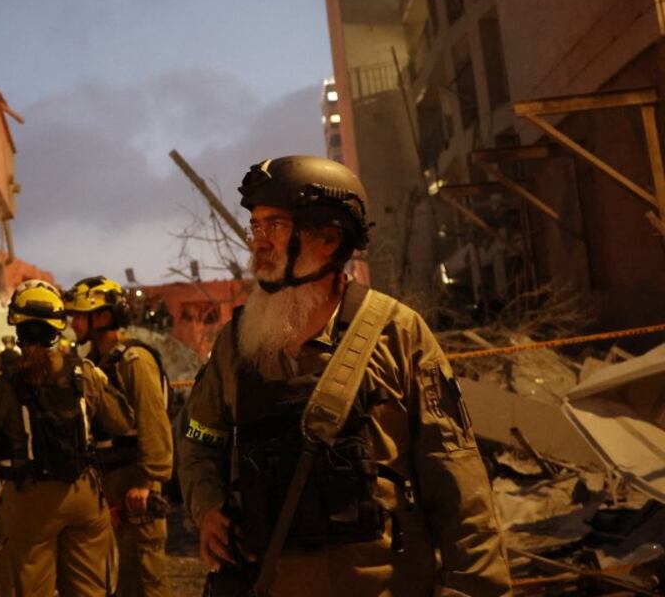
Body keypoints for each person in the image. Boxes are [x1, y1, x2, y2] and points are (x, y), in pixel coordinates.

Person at [178, 156, 512, 596]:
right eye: (255, 227)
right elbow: (200, 435)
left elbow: (456, 480)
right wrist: (208, 508)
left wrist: (473, 588)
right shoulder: (236, 343)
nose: (258, 243)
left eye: (274, 226)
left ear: (329, 240)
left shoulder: (397, 333)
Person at [0, 279, 136, 597]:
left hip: (30, 501)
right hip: (84, 495)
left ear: (17, 324)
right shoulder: (84, 372)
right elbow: (123, 420)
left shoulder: (2, 383)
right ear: (59, 325)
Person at [65, 276, 172, 597]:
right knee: (118, 578)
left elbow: (154, 422)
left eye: (79, 315)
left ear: (102, 317)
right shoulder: (97, 363)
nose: (73, 323)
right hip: (111, 482)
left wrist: (145, 481)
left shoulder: (133, 361)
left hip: (134, 483)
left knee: (145, 577)